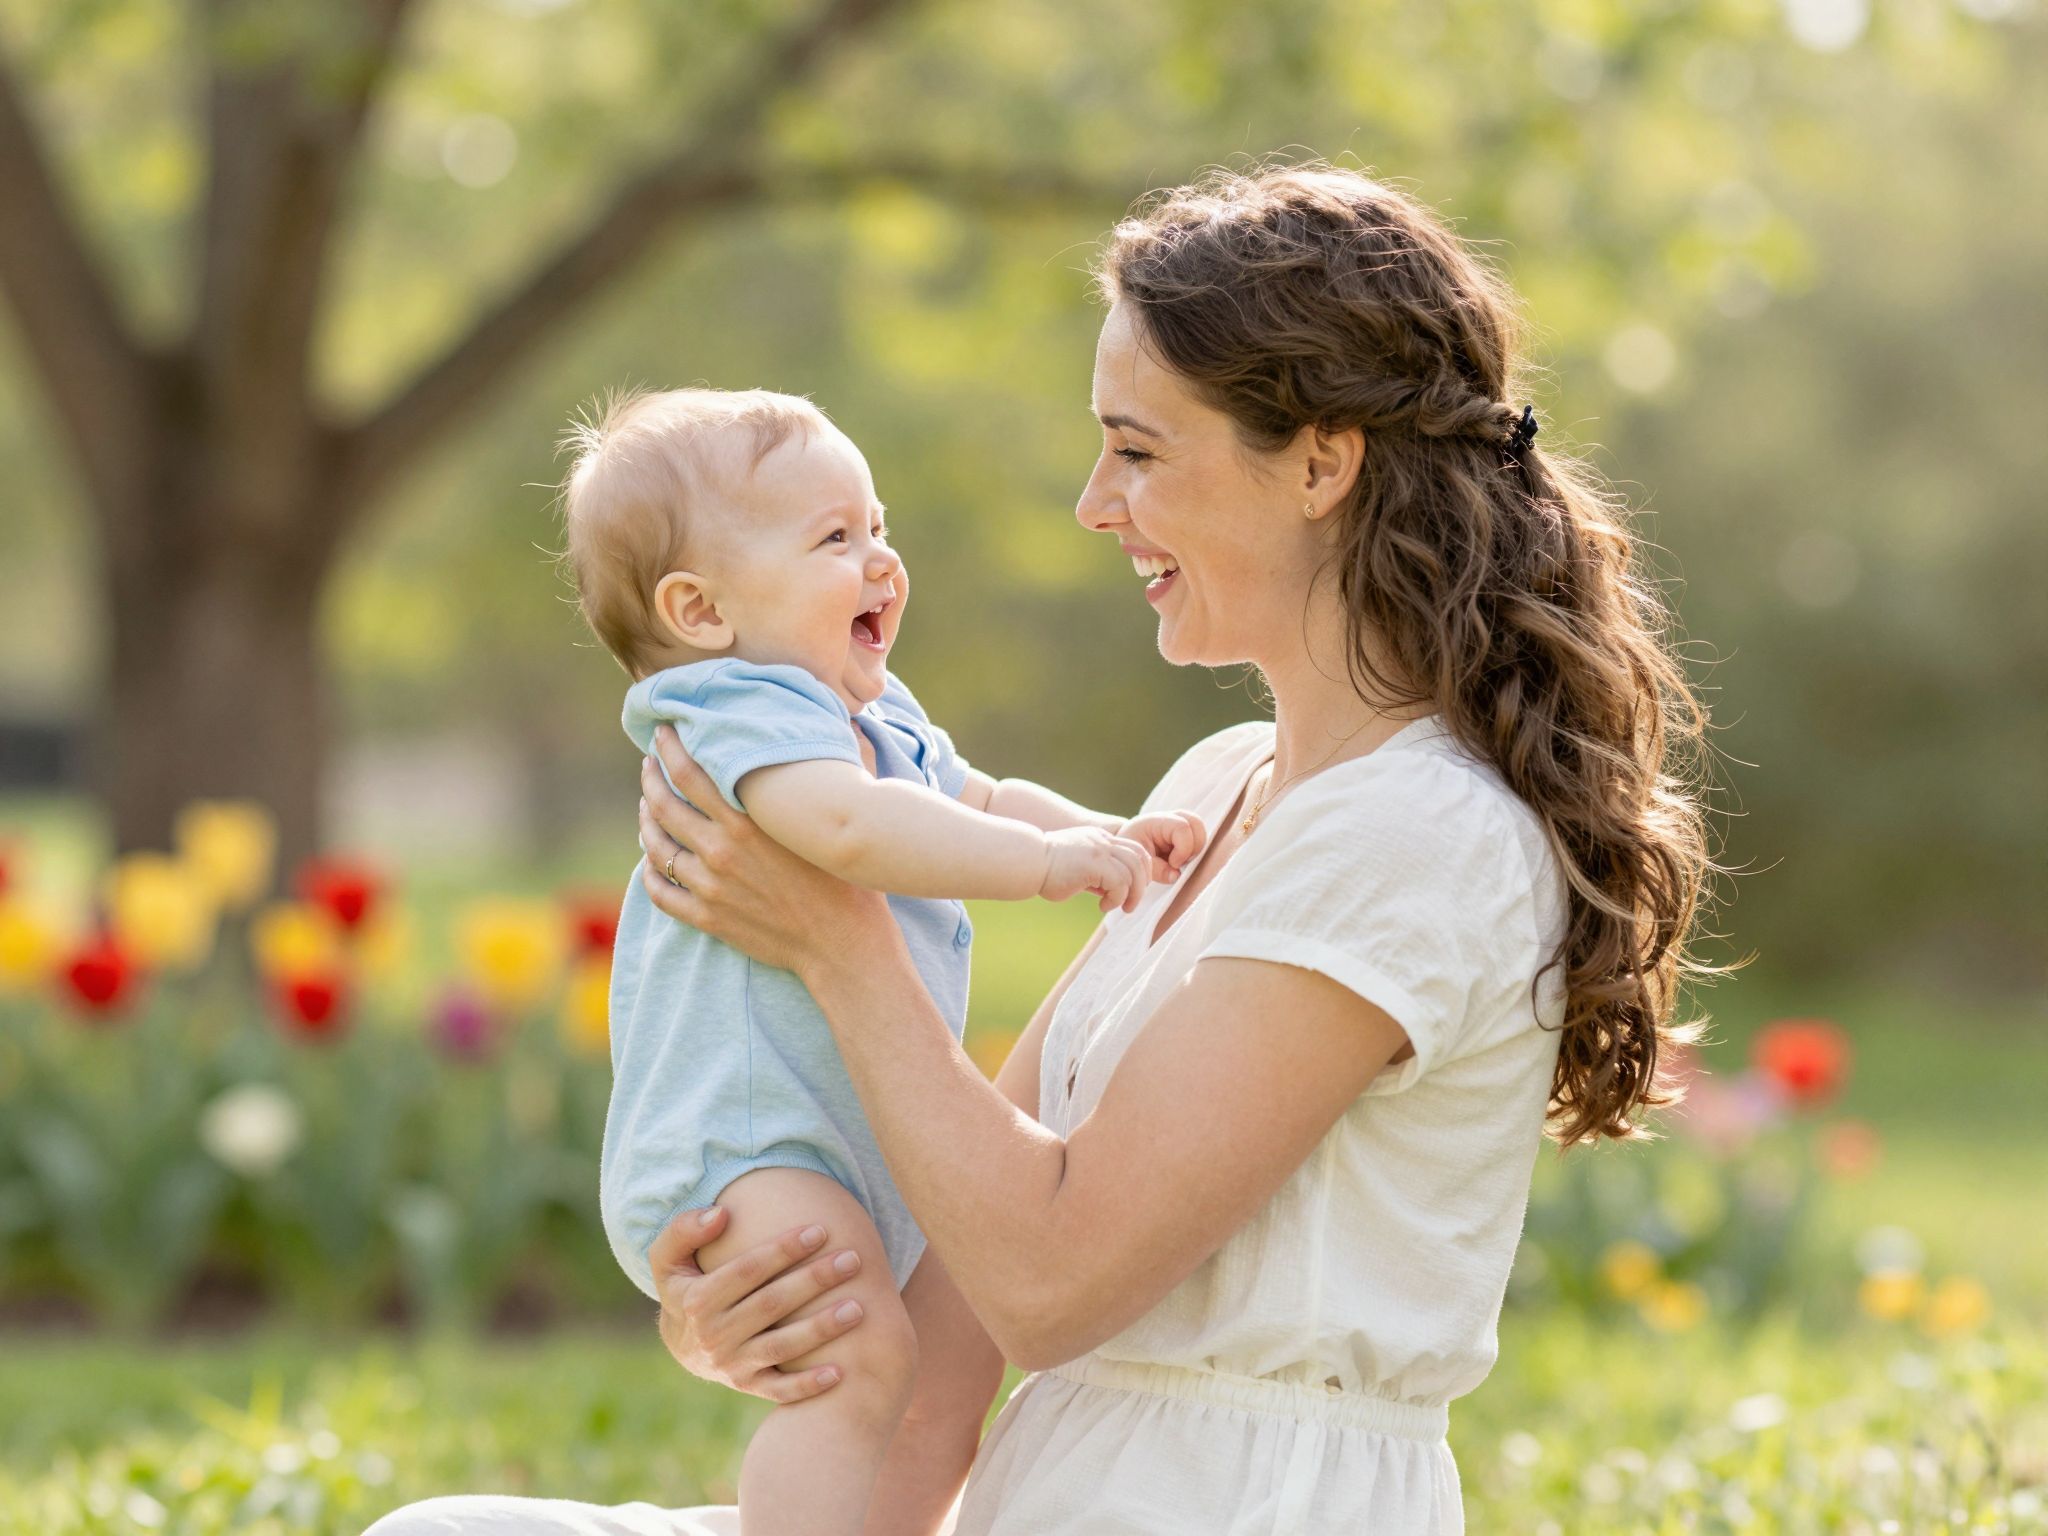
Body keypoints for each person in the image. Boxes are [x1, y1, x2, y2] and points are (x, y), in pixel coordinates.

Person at [366, 159, 1713, 1536]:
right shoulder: (1218, 786)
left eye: (1137, 450)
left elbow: (1047, 1284)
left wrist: (835, 938)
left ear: (1320, 462)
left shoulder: (1416, 833)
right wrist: (766, 1312)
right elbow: (944, 1337)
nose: (1093, 502)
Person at [553, 385, 1206, 1535]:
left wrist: (1100, 831)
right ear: (699, 609)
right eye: (833, 539)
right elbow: (853, 830)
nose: (881, 561)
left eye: (878, 526)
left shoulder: (867, 709)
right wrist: (1046, 866)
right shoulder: (738, 707)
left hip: (828, 1136)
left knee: (896, 1371)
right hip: (743, 1141)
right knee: (850, 1363)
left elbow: (977, 796)